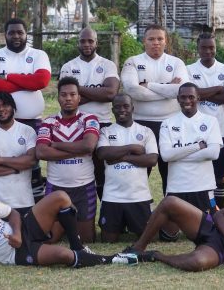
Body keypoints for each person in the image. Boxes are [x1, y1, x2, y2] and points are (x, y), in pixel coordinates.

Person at [0, 181, 137, 274]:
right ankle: (114, 259)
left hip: (22, 230)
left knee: (60, 197)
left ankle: (79, 247)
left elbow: (12, 214)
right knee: (64, 256)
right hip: (15, 253)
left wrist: (16, 232)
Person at [0, 18, 51, 202]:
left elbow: (41, 81)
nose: (16, 36)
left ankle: (34, 207)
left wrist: (7, 77)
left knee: (32, 164)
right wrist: (26, 81)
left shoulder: (38, 54)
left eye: (20, 32)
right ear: (5, 35)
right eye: (12, 32)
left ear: (26, 34)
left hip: (32, 120)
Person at [121, 23, 190, 195]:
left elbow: (181, 90)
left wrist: (149, 85)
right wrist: (168, 89)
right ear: (144, 41)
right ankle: (139, 210)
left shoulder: (176, 62)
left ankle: (172, 211)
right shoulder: (133, 61)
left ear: (166, 41)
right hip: (141, 124)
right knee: (139, 173)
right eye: (151, 39)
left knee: (171, 174)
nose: (156, 43)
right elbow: (132, 90)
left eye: (160, 39)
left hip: (171, 124)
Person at [36, 77, 99, 243]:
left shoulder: (89, 119)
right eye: (64, 95)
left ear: (79, 97)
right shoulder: (48, 122)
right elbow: (42, 152)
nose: (68, 98)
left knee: (87, 239)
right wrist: (76, 150)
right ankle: (64, 223)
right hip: (56, 186)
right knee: (51, 239)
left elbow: (88, 146)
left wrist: (56, 145)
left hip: (84, 187)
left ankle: (69, 223)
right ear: (58, 98)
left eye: (72, 94)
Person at [60, 27, 120, 199]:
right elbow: (67, 100)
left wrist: (77, 90)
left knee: (103, 173)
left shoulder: (107, 64)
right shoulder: (69, 66)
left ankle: (106, 217)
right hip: (75, 124)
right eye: (82, 41)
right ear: (78, 43)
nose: (86, 44)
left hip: (102, 123)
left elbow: (110, 94)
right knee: (78, 172)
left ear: (96, 43)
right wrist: (96, 92)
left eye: (90, 41)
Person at [158, 83, 222, 241]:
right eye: (183, 97)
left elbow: (213, 153)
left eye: (191, 96)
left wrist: (178, 155)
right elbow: (166, 156)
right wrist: (197, 147)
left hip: (202, 186)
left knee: (210, 234)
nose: (187, 100)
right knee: (168, 237)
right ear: (178, 99)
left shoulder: (210, 121)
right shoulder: (167, 123)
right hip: (177, 187)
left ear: (198, 98)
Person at [96, 93, 158, 242]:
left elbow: (152, 159)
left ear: (132, 108)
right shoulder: (106, 131)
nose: (121, 110)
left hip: (139, 196)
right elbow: (102, 153)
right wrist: (133, 148)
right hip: (112, 197)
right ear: (112, 110)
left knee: (149, 238)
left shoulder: (145, 131)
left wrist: (122, 157)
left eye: (125, 106)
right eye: (117, 107)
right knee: (108, 240)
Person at [187, 32, 224, 208]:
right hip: (195, 131)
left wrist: (201, 94)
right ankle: (199, 212)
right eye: (204, 47)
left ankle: (220, 213)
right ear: (197, 49)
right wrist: (217, 89)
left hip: (221, 130)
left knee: (219, 176)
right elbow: (189, 96)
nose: (208, 51)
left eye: (211, 47)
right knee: (196, 172)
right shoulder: (189, 70)